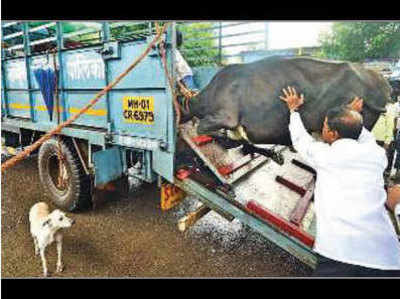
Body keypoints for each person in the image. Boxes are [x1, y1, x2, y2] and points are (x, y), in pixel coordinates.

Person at [279, 86, 400, 277]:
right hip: (387, 257)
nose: (323, 129)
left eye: (325, 127)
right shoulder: (377, 155)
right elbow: (362, 134)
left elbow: (301, 140)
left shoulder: (325, 155)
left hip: (341, 253)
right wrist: (352, 115)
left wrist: (294, 110)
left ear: (333, 134)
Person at [371, 102, 399, 178]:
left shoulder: (390, 108)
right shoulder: (373, 105)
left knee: (379, 162)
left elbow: (390, 126)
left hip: (381, 140)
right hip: (370, 138)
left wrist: (387, 142)